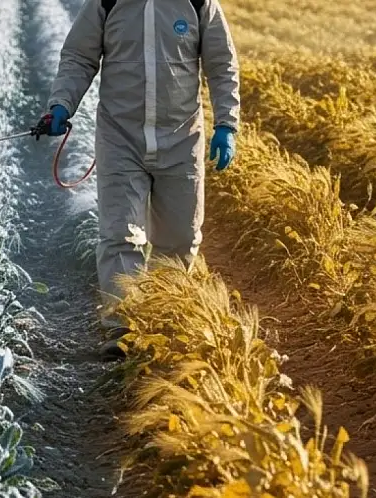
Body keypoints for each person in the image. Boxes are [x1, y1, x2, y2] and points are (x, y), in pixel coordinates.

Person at [36, 0, 240, 360]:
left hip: (181, 138)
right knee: (120, 235)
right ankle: (123, 330)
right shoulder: (107, 2)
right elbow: (79, 58)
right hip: (120, 139)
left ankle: (164, 320)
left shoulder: (198, 3)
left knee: (180, 238)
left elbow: (221, 63)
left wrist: (226, 124)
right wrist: (61, 105)